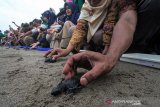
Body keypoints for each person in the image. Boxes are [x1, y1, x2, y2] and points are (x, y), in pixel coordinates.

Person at [45, 0, 160, 86]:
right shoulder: (86, 5)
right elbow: (81, 27)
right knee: (73, 30)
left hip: (134, 22)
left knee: (154, 5)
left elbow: (127, 18)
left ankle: (130, 46)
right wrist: (66, 50)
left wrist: (110, 57)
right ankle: (106, 49)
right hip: (106, 32)